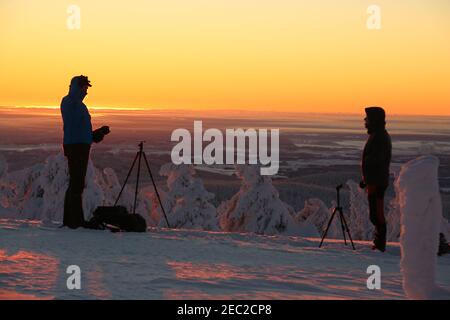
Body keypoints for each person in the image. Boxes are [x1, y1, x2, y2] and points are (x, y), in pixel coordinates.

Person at [60, 75, 110, 228]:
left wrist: (98, 134)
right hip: (75, 147)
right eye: (84, 88)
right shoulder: (69, 102)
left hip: (81, 146)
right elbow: (73, 124)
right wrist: (76, 91)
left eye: (87, 89)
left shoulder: (80, 105)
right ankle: (74, 222)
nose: (86, 92)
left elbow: (82, 132)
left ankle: (73, 220)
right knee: (76, 183)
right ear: (77, 88)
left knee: (77, 183)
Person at [360, 106, 392, 252]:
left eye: (367, 119)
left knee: (377, 214)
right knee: (375, 213)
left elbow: (375, 161)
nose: (364, 121)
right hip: (374, 181)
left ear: (374, 120)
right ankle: (378, 243)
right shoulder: (377, 135)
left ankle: (380, 245)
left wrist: (370, 180)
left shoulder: (379, 137)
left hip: (377, 182)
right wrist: (366, 179)